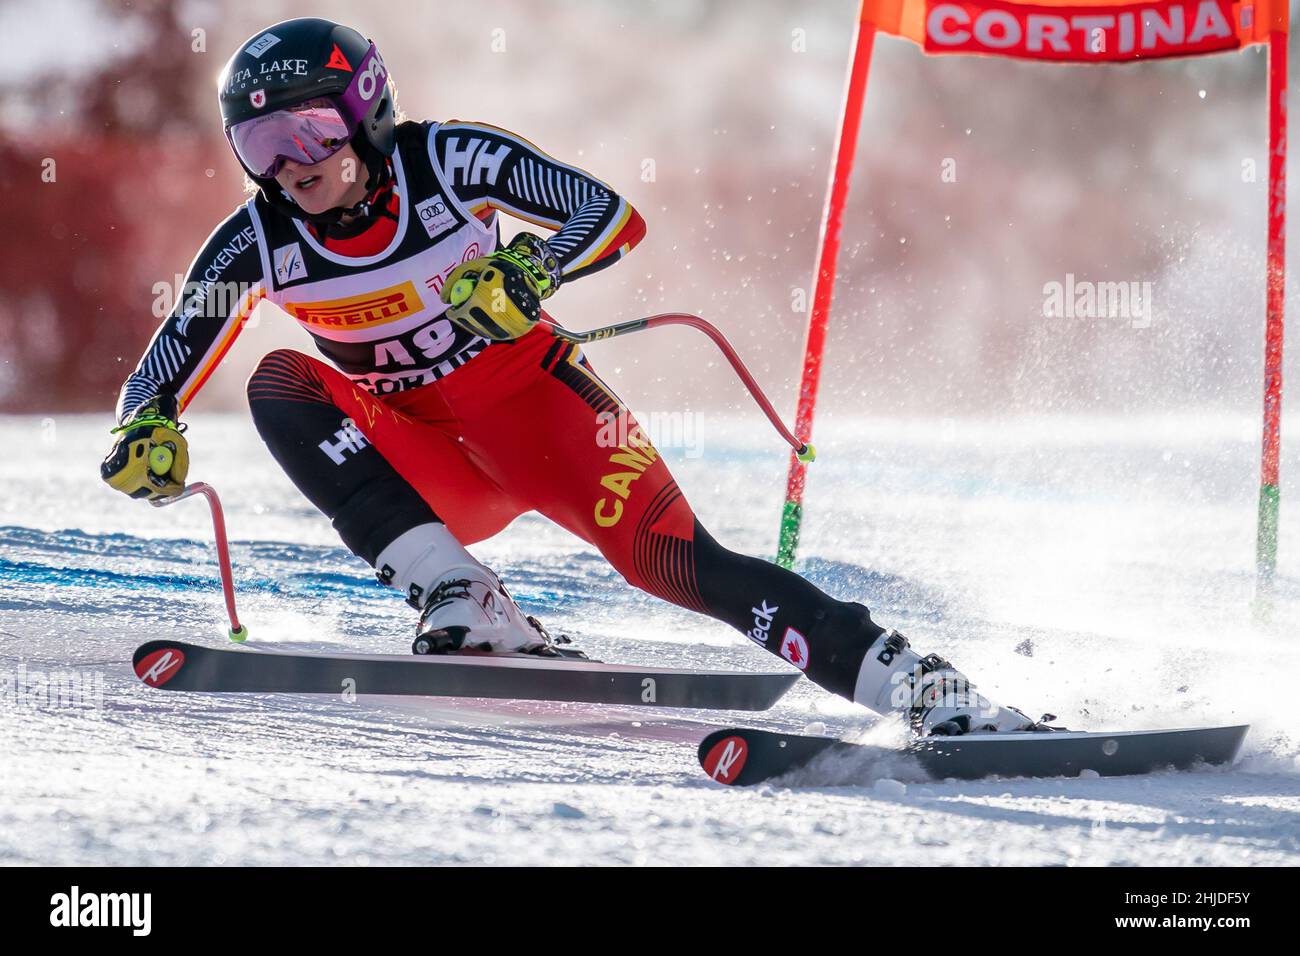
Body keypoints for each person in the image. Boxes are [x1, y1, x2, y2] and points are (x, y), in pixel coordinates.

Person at [100, 17, 1037, 736]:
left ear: (363, 113)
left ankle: (921, 687)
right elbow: (171, 357)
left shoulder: (447, 160)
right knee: (281, 382)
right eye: (260, 149)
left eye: (305, 134)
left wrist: (529, 272)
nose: (289, 168)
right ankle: (458, 593)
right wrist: (141, 426)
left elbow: (611, 214)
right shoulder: (261, 238)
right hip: (427, 463)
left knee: (678, 565)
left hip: (545, 417)